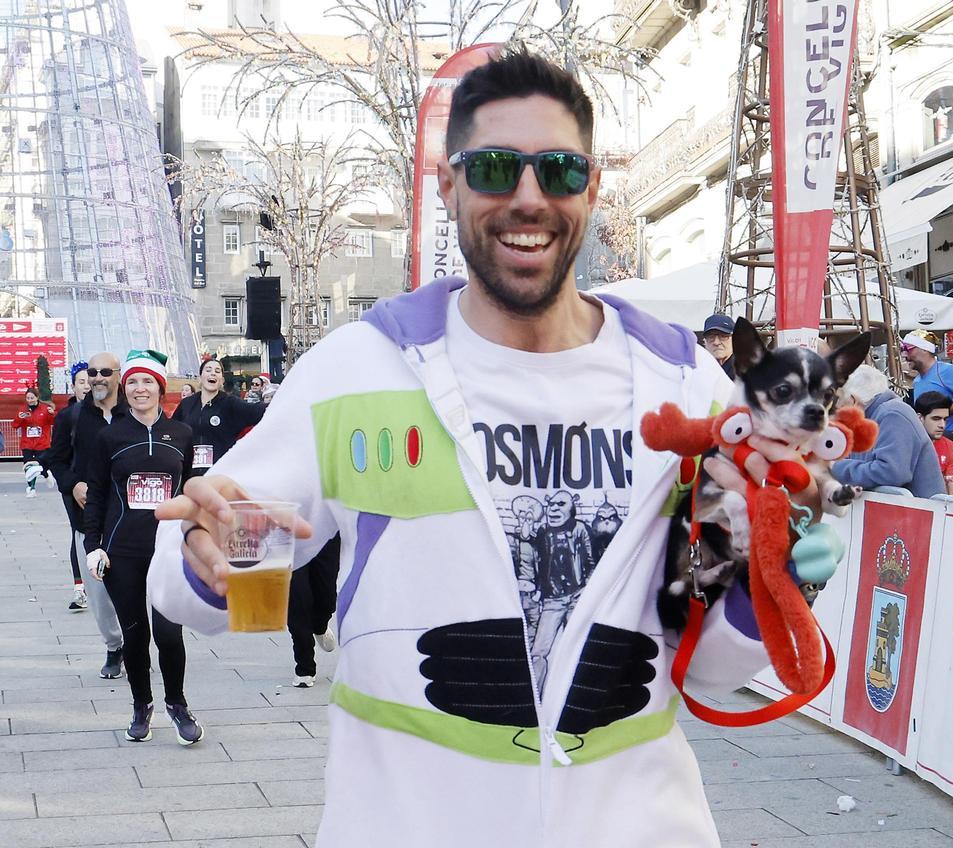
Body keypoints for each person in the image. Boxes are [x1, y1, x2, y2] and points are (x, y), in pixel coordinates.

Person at [149, 48, 781, 847]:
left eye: (557, 170)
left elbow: (718, 669)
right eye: (492, 169)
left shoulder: (687, 385)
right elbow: (183, 584)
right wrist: (206, 558)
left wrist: (775, 575)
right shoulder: (358, 366)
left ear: (592, 188)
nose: (528, 198)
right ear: (447, 184)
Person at [84, 350, 201, 745]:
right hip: (123, 552)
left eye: (147, 381)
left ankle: (177, 704)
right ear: (124, 387)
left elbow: (193, 490)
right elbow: (97, 494)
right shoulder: (109, 437)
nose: (139, 389)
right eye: (132, 381)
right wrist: (93, 545)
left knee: (169, 633)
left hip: (169, 551)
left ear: (160, 388)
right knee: (135, 635)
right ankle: (141, 705)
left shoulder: (182, 435)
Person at [40, 353, 126, 678]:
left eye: (105, 372)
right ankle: (114, 646)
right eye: (93, 372)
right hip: (87, 522)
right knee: (99, 594)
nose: (98, 378)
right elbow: (56, 460)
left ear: (118, 375)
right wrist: (73, 484)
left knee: (134, 590)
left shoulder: (133, 413)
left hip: (127, 521)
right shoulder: (72, 417)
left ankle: (135, 644)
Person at [831, 363, 945, 498]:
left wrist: (834, 469)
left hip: (917, 513)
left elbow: (891, 472)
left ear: (853, 400)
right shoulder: (867, 422)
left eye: (839, 404)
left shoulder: (893, 414)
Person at [903, 330, 953, 497]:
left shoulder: (949, 371)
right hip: (936, 438)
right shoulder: (917, 381)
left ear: (924, 349)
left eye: (908, 348)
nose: (904, 354)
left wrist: (940, 411)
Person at [46, 362, 92, 610]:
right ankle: (80, 588)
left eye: (90, 380)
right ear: (73, 386)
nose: (87, 385)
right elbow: (57, 458)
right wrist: (71, 484)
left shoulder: (111, 415)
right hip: (74, 487)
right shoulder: (67, 417)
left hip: (103, 485)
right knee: (79, 534)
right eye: (81, 381)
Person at [172, 357, 266, 473]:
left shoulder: (230, 403)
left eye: (217, 371)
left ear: (222, 380)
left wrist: (284, 398)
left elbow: (257, 411)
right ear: (200, 377)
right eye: (208, 370)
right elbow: (173, 431)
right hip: (189, 477)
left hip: (220, 475)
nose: (213, 373)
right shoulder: (187, 404)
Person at [287, 536, 340, 688]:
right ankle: (305, 666)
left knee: (326, 598)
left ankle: (319, 626)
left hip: (326, 533)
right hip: (288, 534)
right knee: (297, 600)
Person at [915, 391, 953, 497]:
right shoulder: (905, 444)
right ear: (920, 418)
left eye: (945, 419)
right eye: (936, 419)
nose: (942, 425)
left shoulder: (950, 447)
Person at [13, 386, 55, 497]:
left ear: (37, 397)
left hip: (41, 443)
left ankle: (46, 474)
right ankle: (31, 488)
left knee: (40, 465)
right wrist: (19, 418)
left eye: (32, 397)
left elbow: (53, 421)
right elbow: (14, 425)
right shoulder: (23, 410)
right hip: (27, 443)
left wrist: (52, 413)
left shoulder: (45, 409)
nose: (30, 400)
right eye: (28, 398)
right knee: (28, 466)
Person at [701, 313, 736, 379]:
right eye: (711, 337)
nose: (716, 342)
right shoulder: (699, 370)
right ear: (704, 341)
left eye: (723, 336)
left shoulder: (744, 372)